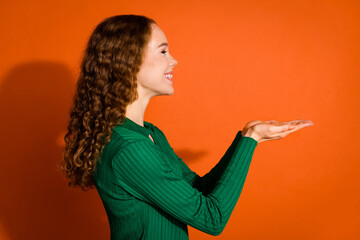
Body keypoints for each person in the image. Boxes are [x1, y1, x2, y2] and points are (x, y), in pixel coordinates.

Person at [62, 14, 314, 240]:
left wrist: (249, 138)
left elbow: (199, 191)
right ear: (128, 61)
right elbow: (211, 218)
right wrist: (250, 141)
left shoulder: (149, 134)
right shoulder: (131, 148)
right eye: (162, 52)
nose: (174, 61)